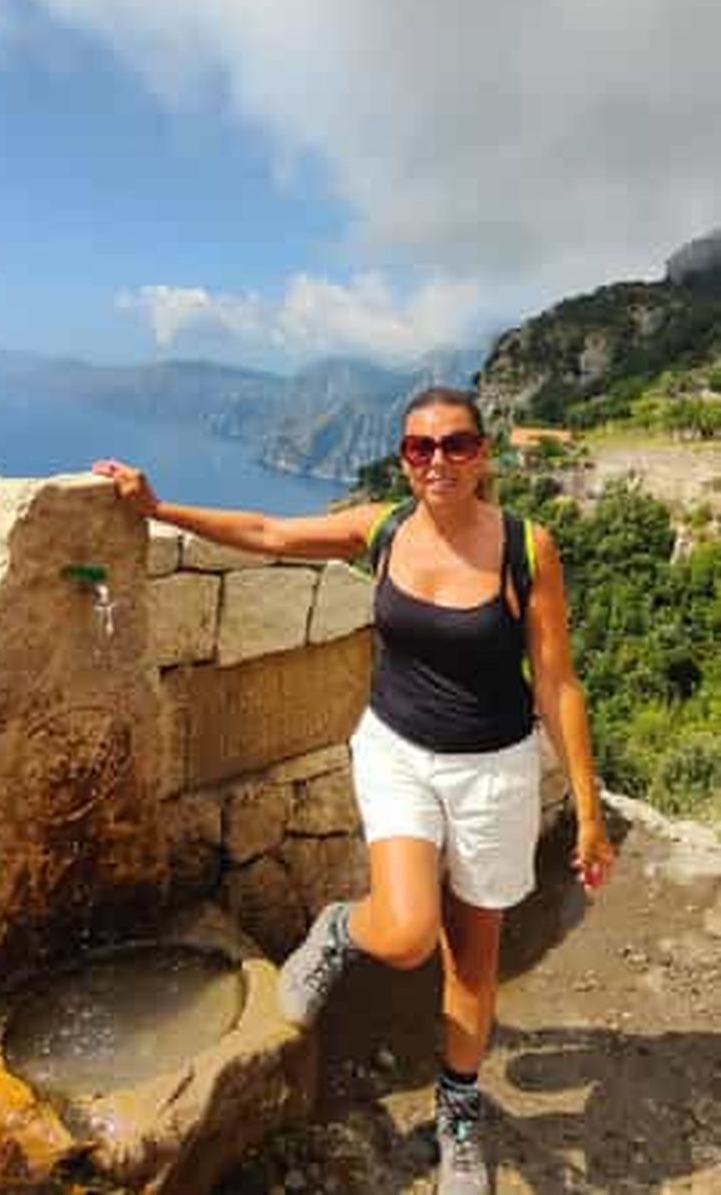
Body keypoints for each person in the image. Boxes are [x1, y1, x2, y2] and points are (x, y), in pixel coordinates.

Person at [93, 386, 614, 1195]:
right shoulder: (383, 529)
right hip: (399, 751)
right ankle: (341, 928)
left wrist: (587, 810)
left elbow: (557, 681)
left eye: (456, 444)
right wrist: (161, 508)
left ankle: (459, 1113)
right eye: (419, 447)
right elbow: (269, 533)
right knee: (405, 933)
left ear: (483, 452)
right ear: (403, 459)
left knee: (473, 956)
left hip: (495, 768)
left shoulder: (524, 546)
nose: (437, 460)